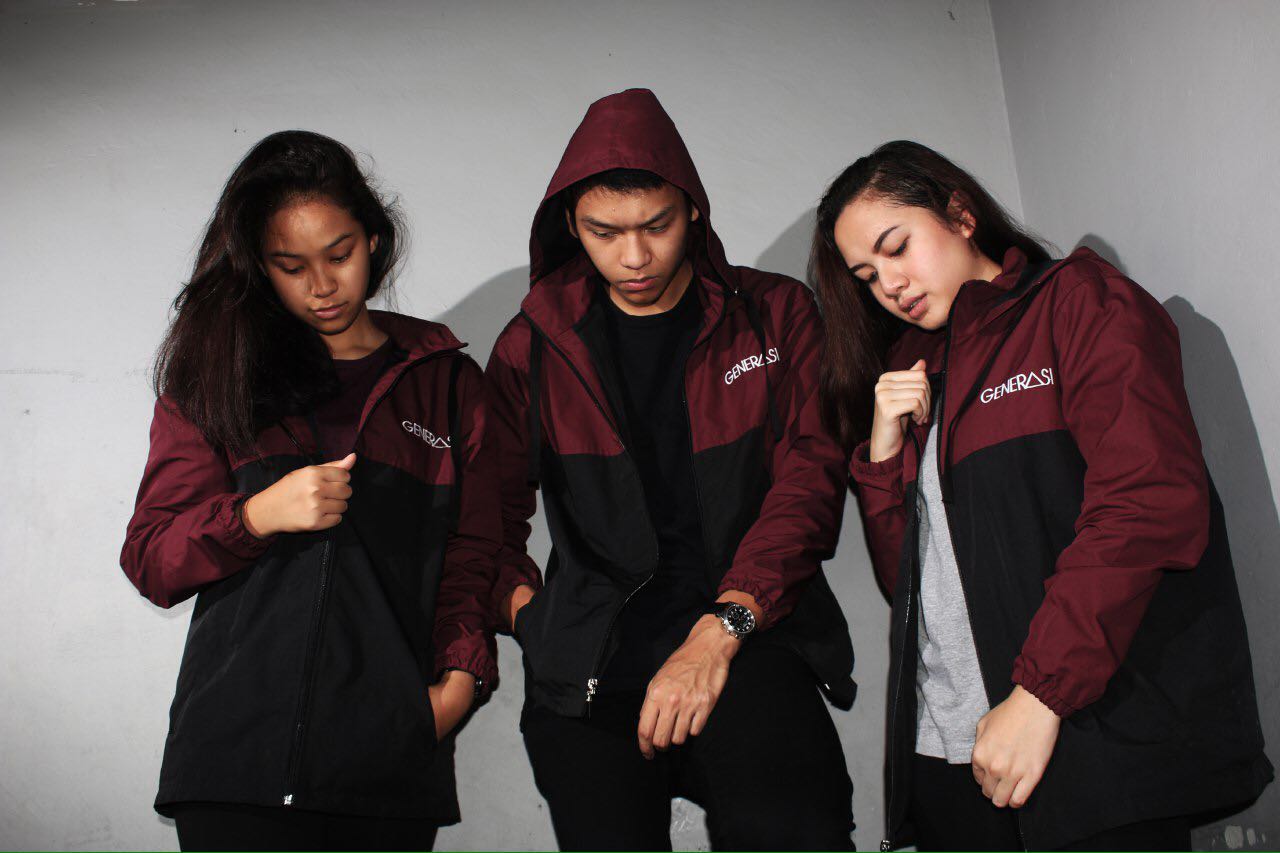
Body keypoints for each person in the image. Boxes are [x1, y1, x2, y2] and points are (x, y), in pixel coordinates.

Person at [813, 140, 1272, 851]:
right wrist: (880, 453)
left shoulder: (1076, 301)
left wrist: (1040, 694)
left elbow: (1146, 502)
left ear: (960, 214)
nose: (890, 285)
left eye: (897, 247)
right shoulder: (914, 368)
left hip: (1079, 730)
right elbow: (912, 581)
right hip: (952, 749)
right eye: (868, 276)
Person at [484, 88, 856, 851]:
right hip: (592, 669)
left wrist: (724, 627)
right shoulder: (533, 347)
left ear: (692, 211)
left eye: (656, 225)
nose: (634, 257)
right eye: (604, 231)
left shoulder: (775, 315)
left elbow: (810, 483)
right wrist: (534, 621)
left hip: (746, 636)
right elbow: (482, 516)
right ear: (571, 224)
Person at [120, 130, 499, 851]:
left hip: (386, 766)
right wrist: (255, 516)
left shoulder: (447, 383)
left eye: (339, 254)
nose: (321, 286)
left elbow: (475, 554)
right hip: (234, 765)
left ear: (374, 240)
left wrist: (457, 684)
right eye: (290, 266)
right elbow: (151, 558)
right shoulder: (218, 377)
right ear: (259, 266)